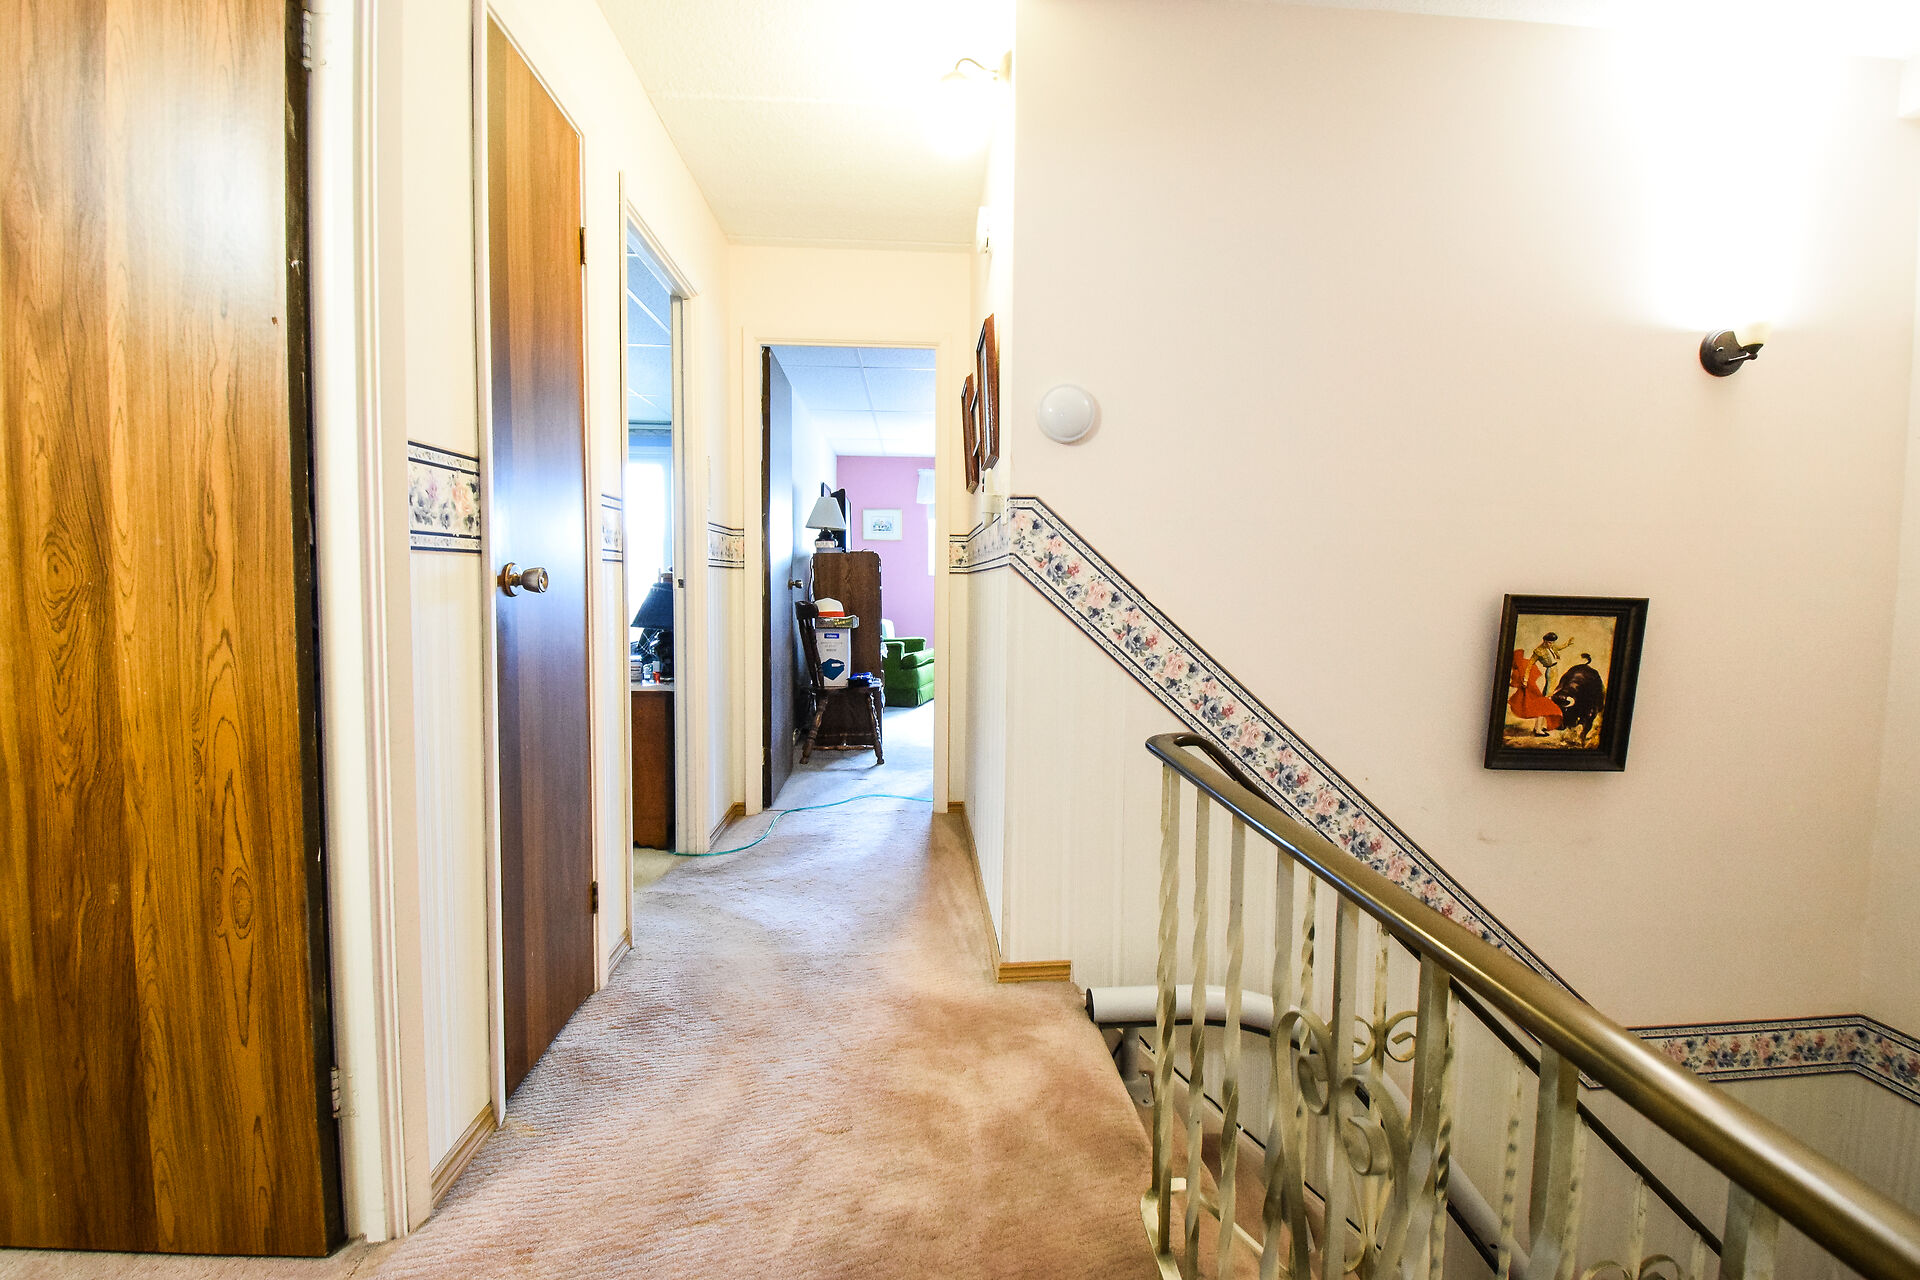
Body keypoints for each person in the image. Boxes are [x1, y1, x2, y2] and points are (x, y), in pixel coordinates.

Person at [1509, 630, 1573, 737]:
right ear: (1544, 641)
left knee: (1546, 699)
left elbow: (1558, 648)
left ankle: (1539, 727)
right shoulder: (1538, 651)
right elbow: (1530, 665)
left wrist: (1567, 644)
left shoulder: (1551, 647)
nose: (1551, 644)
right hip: (1550, 672)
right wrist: (1525, 679)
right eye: (1549, 642)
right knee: (1545, 701)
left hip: (1554, 671)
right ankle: (1538, 729)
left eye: (1552, 642)